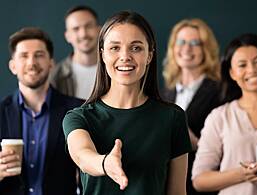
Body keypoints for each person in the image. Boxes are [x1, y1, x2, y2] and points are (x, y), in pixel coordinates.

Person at [63, 11, 192, 195]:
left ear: (149, 55)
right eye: (115, 48)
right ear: (103, 55)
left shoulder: (172, 117)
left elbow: (178, 192)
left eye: (136, 48)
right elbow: (83, 156)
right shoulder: (79, 117)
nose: (125, 56)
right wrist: (105, 163)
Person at [0, 27, 83, 195]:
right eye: (24, 56)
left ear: (51, 63)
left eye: (39, 55)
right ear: (13, 66)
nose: (32, 63)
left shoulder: (77, 111)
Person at [192, 33, 257, 195]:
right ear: (232, 73)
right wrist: (243, 174)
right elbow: (200, 180)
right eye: (242, 65)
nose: (252, 70)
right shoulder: (219, 117)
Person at [162, 18, 222, 195]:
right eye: (181, 42)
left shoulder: (220, 91)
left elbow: (229, 147)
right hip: (166, 183)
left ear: (206, 50)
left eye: (195, 43)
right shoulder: (166, 91)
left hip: (200, 185)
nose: (187, 49)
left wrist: (194, 141)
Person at [50, 5, 100, 99]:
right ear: (67, 36)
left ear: (99, 30)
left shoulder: (115, 69)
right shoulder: (55, 76)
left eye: (88, 26)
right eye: (76, 29)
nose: (83, 34)